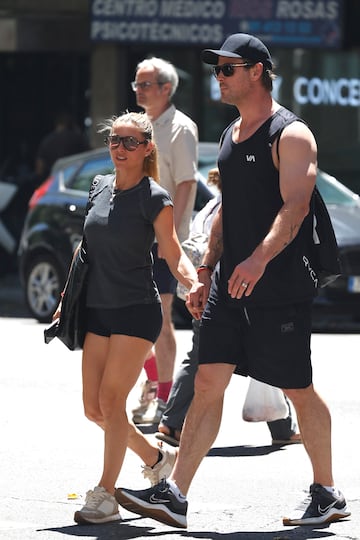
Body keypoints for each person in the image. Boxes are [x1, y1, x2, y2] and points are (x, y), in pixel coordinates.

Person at [114, 34, 351, 528]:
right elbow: (226, 210)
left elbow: (297, 205)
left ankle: (327, 492)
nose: (217, 77)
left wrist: (259, 260)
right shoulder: (231, 133)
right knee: (206, 381)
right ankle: (175, 494)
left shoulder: (291, 134)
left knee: (298, 386)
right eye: (216, 69)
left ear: (258, 71)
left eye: (227, 69)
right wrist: (204, 270)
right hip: (227, 281)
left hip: (278, 282)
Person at [53, 111, 199, 525]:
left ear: (147, 148)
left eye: (130, 142)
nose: (120, 148)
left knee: (113, 401)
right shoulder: (98, 187)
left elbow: (171, 251)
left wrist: (193, 284)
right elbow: (86, 248)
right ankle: (155, 458)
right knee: (94, 409)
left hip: (136, 310)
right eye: (115, 140)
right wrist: (67, 295)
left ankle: (106, 495)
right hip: (97, 306)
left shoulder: (155, 197)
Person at [156, 168, 301, 448]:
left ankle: (172, 422)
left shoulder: (210, 207)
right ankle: (283, 427)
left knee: (204, 355)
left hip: (207, 288)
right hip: (232, 290)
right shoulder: (236, 208)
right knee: (269, 352)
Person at [130, 57, 199, 425]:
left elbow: (187, 183)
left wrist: (172, 236)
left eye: (145, 84)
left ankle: (165, 396)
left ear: (165, 89)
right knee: (127, 317)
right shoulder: (139, 126)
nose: (138, 90)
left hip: (161, 240)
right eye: (136, 85)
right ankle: (155, 383)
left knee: (160, 319)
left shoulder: (180, 128)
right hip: (133, 237)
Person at [35, 111, 89, 181]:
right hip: (74, 179)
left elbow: (39, 169)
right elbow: (90, 156)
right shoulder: (77, 138)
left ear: (56, 124)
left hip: (53, 181)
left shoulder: (47, 140)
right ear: (71, 124)